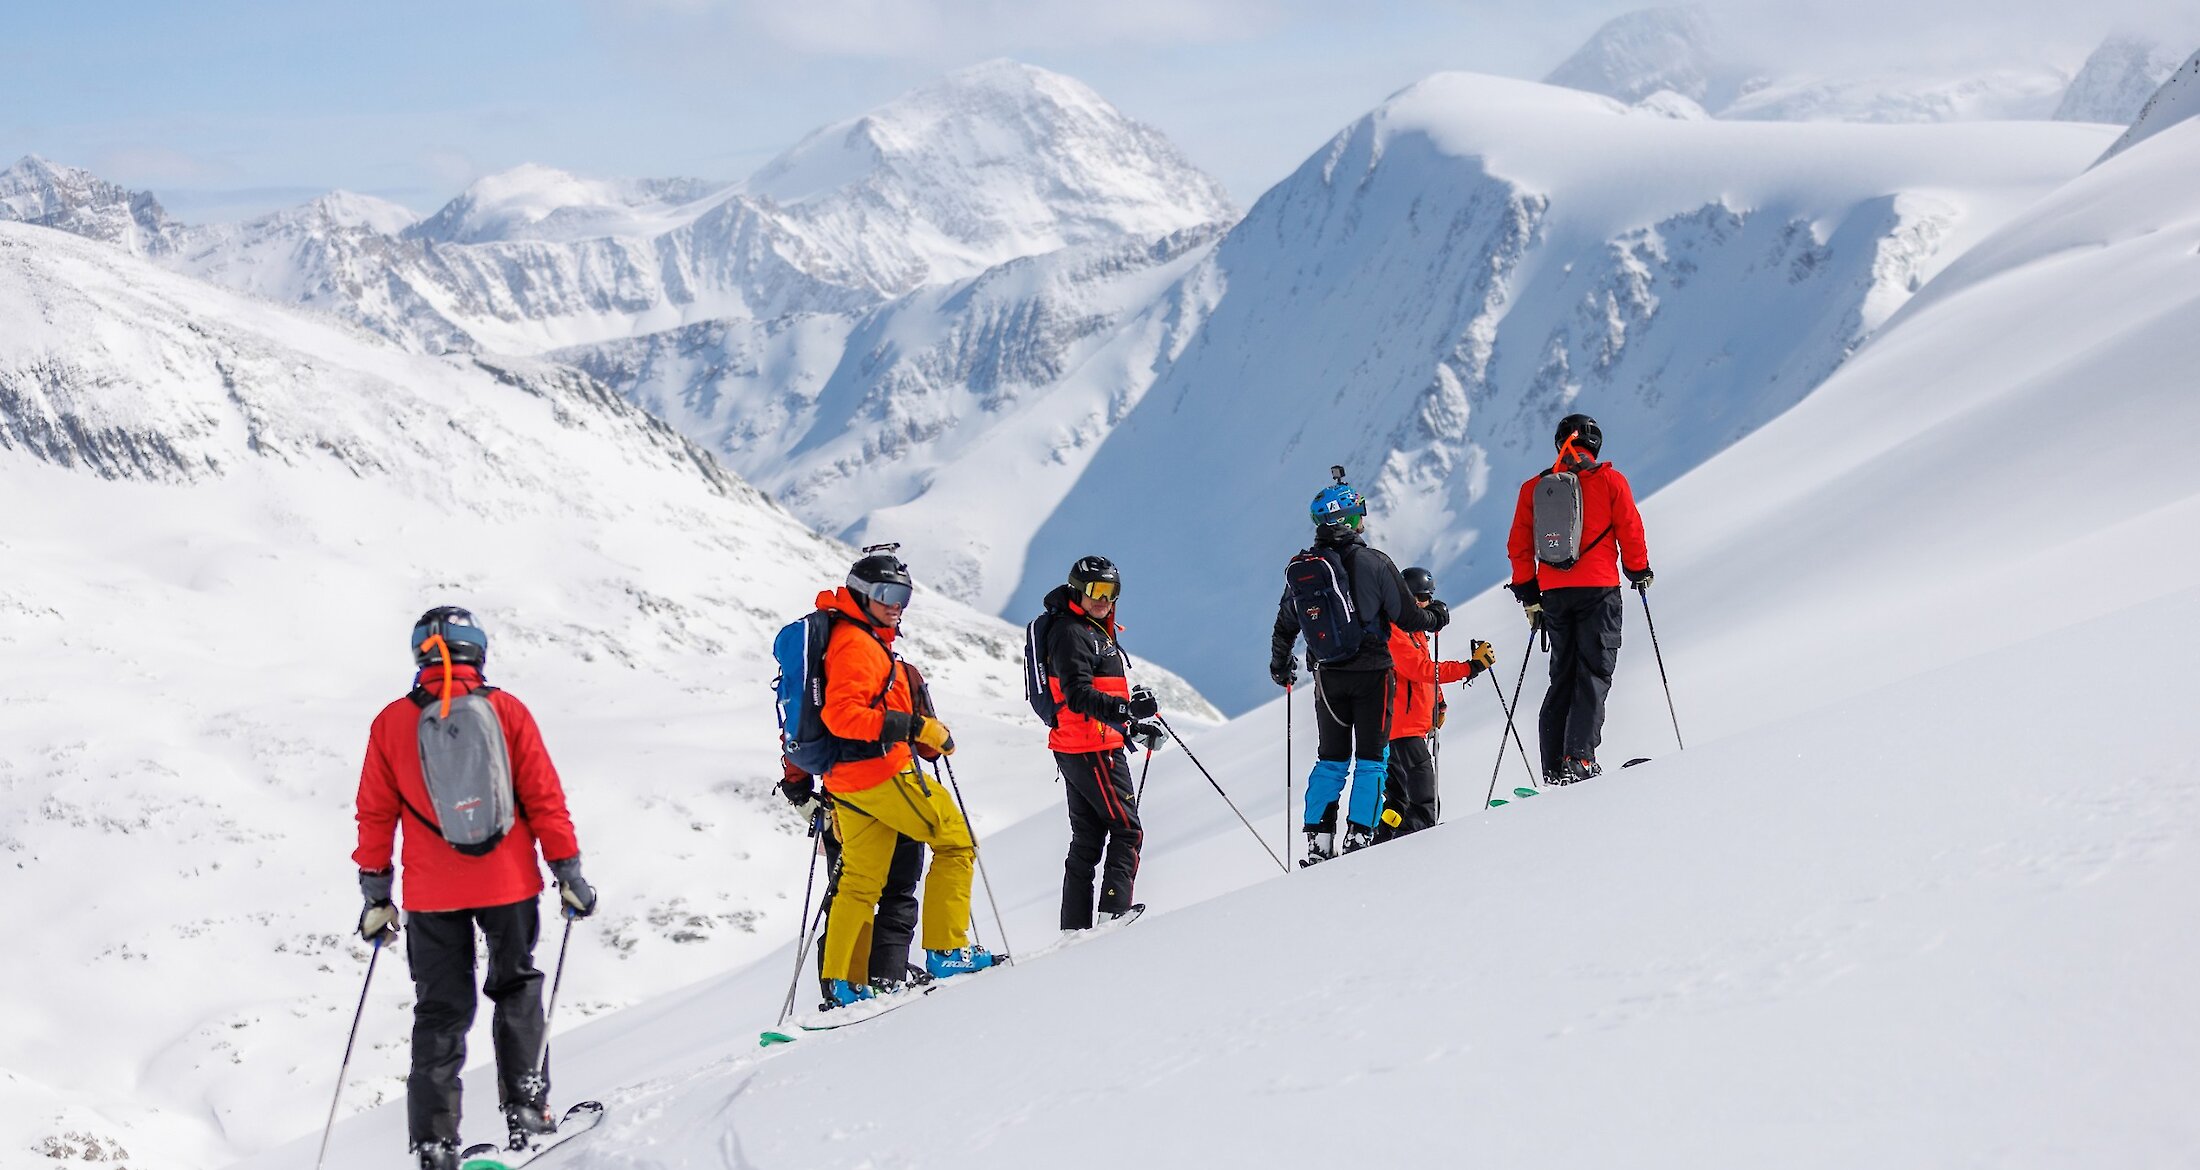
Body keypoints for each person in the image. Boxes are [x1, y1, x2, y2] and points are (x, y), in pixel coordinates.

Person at [352, 607, 598, 1170]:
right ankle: (529, 1114)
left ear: (420, 656)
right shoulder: (505, 710)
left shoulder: (391, 723)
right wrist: (569, 873)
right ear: (477, 653)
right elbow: (542, 795)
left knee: (439, 1012)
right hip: (508, 882)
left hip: (431, 895)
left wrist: (376, 893)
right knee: (515, 988)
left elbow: (375, 814)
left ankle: (435, 1147)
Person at [812, 548, 996, 1007]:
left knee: (859, 881)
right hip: (879, 771)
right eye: (888, 593)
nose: (897, 604)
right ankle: (947, 950)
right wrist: (916, 727)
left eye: (904, 595)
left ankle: (844, 982)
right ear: (862, 594)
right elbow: (842, 715)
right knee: (956, 843)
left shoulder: (846, 636)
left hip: (845, 782)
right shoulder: (857, 645)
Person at [1271, 477, 1444, 861]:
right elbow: (1409, 615)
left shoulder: (1304, 568)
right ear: (1348, 519)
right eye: (1359, 512)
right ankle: (1359, 836)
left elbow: (1287, 621)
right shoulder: (1375, 562)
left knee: (1330, 759)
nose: (1364, 519)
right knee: (1371, 759)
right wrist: (1436, 616)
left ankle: (1318, 839)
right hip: (1373, 674)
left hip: (1327, 676)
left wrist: (1280, 663)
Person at [1506, 414, 1652, 785]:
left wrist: (1528, 593)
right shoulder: (1609, 481)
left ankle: (1554, 766)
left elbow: (1518, 546)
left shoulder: (1535, 489)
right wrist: (1638, 571)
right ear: (1596, 445)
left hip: (1553, 594)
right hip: (1599, 591)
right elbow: (1630, 529)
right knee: (1594, 673)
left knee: (1563, 676)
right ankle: (1580, 760)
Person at [1039, 555, 1166, 929]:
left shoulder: (1093, 628)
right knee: (1128, 830)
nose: (1104, 599)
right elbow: (1078, 695)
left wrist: (1132, 726)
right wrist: (1127, 711)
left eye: (1112, 591)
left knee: (1087, 840)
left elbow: (1095, 694)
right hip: (1090, 747)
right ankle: (1113, 913)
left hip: (1082, 743)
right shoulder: (1071, 632)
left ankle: (1074, 927)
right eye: (1096, 590)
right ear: (1077, 590)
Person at [778, 757, 930, 1002]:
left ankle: (842, 986)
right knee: (897, 892)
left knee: (847, 897)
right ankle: (886, 977)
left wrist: (800, 794)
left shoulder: (814, 716)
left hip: (841, 803)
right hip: (898, 792)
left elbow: (797, 740)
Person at [1378, 567, 1496, 841]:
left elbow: (1425, 676)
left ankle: (1382, 840)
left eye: (1427, 597)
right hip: (1401, 728)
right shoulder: (1393, 630)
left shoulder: (1413, 630)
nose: (1423, 602)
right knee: (1423, 799)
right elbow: (1420, 669)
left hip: (1408, 726)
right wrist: (1470, 667)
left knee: (1400, 798)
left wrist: (1438, 703)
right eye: (1418, 596)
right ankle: (1419, 839)